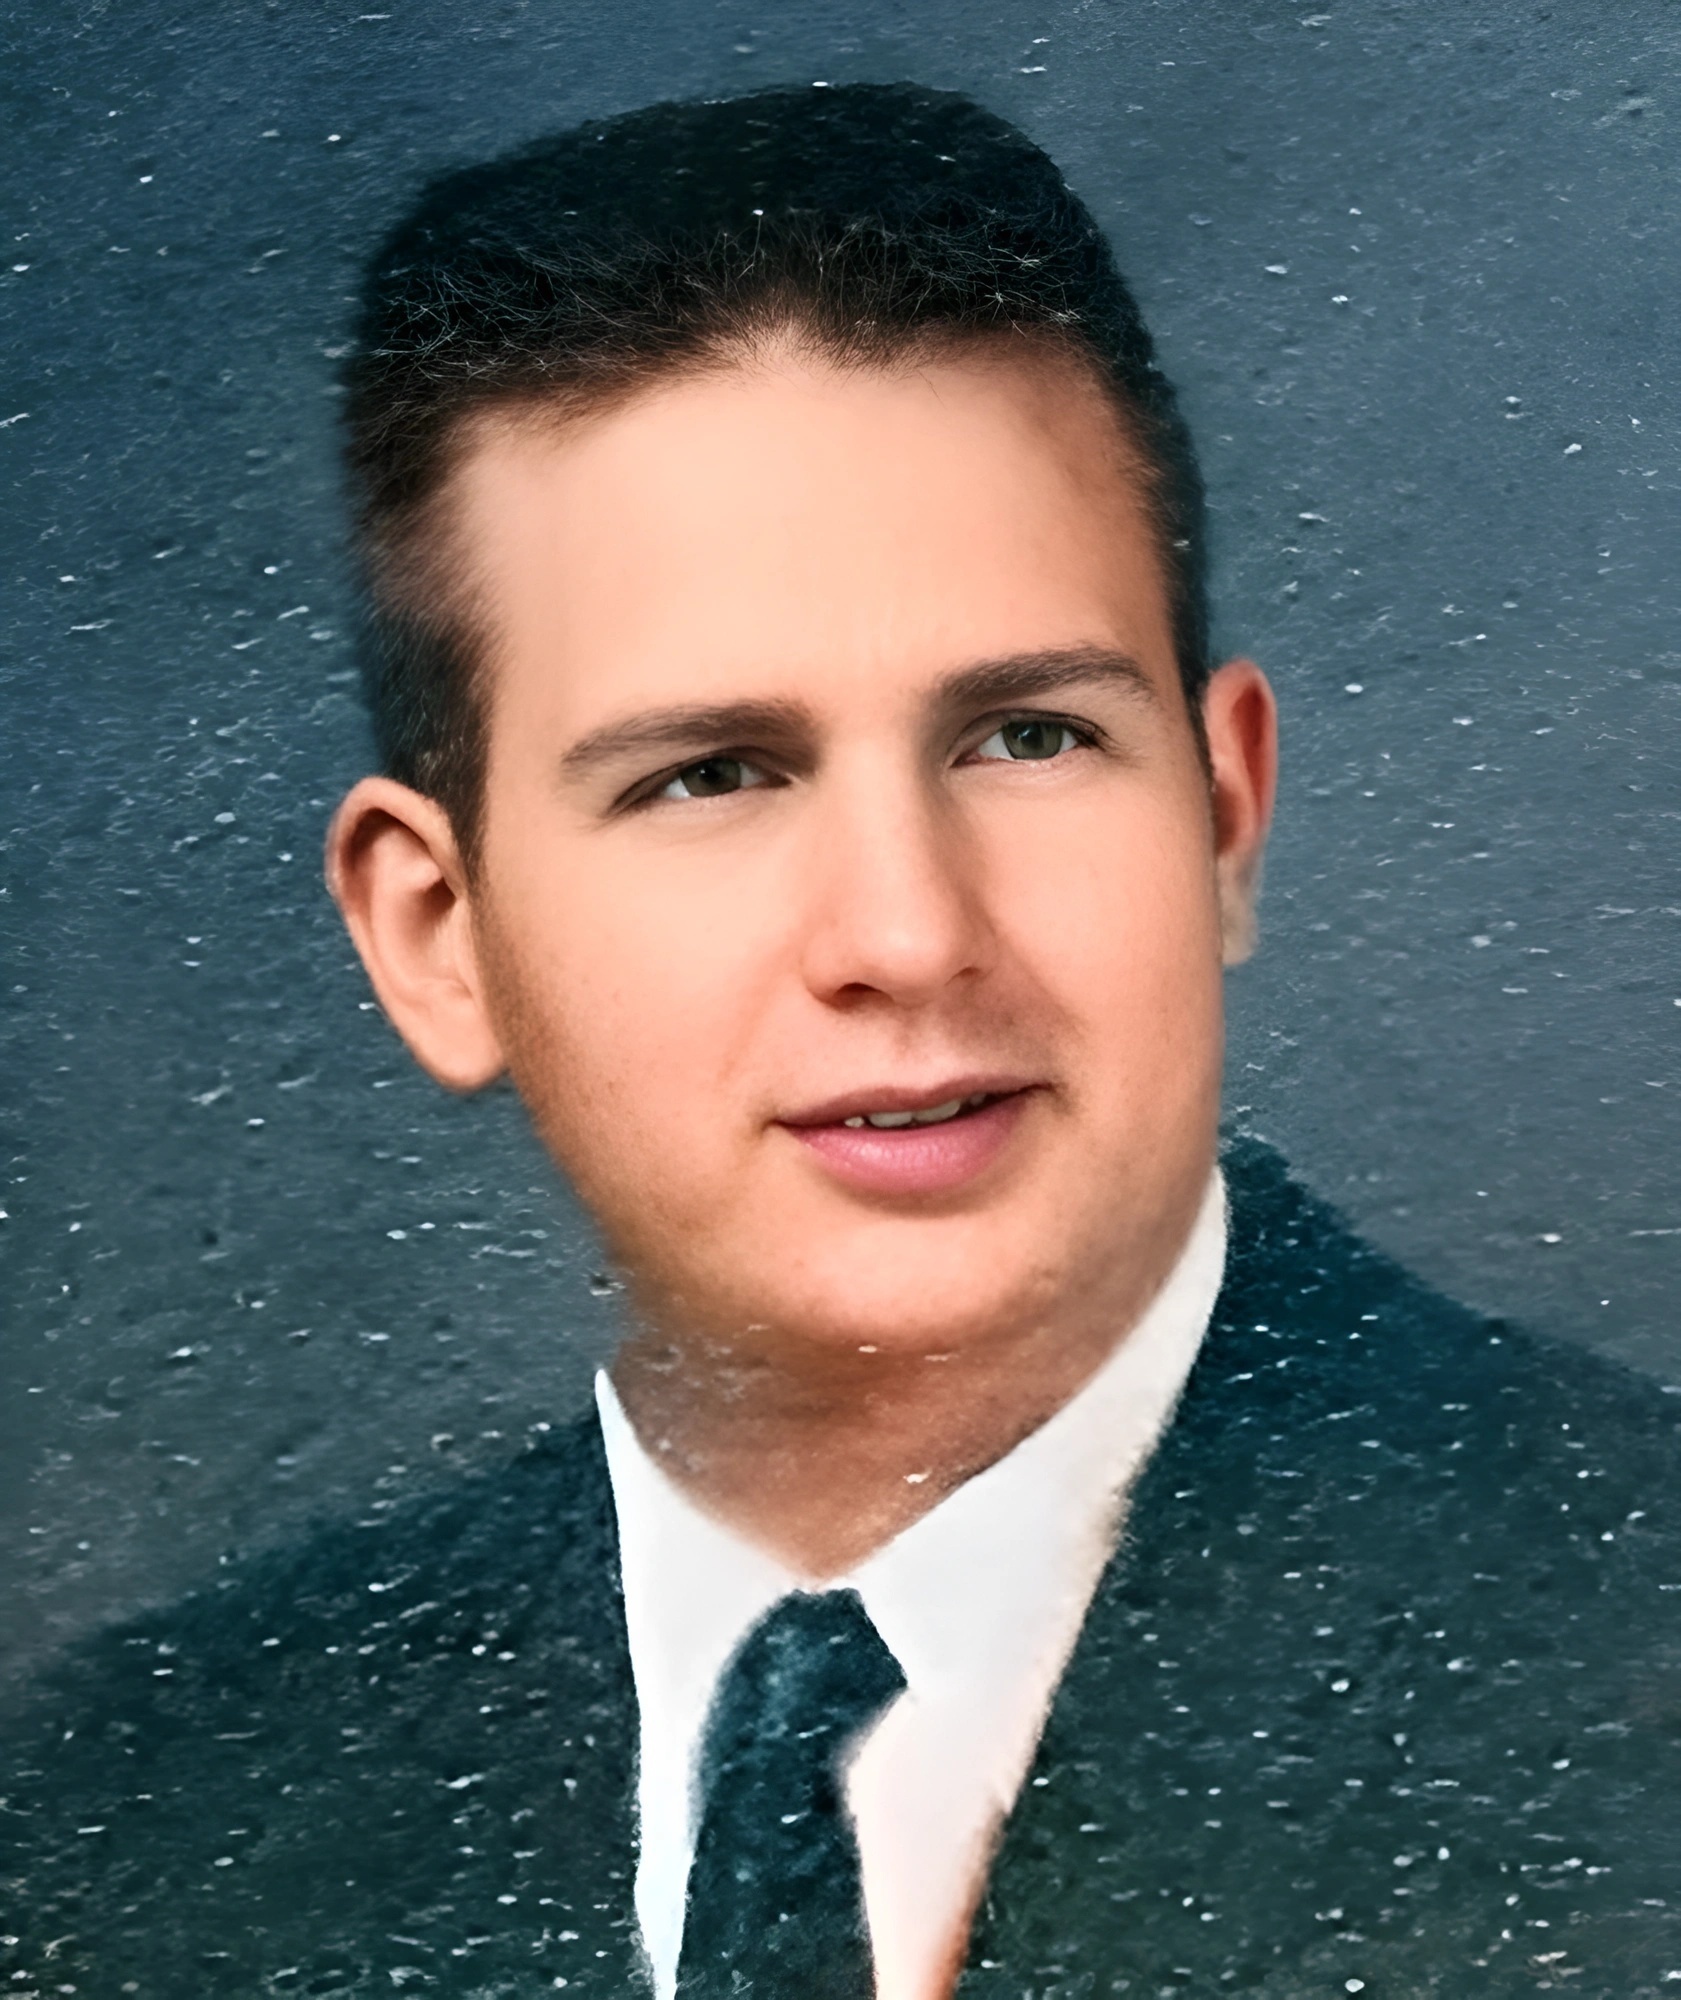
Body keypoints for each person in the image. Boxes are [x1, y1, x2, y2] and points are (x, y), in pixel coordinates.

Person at [3, 81, 1679, 2000]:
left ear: (1221, 815)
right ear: (436, 935)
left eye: (1028, 737)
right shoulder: (120, 1822)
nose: (907, 935)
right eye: (711, 774)